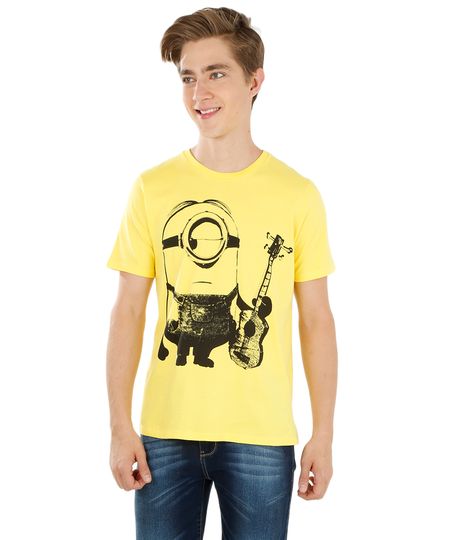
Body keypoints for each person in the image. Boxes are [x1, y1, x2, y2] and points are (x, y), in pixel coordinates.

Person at [106, 6, 337, 539]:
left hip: (262, 436)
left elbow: (316, 321)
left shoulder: (297, 194)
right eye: (188, 77)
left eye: (216, 74)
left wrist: (323, 433)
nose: (199, 93)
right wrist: (120, 426)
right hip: (164, 432)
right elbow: (128, 311)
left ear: (254, 81)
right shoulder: (151, 188)